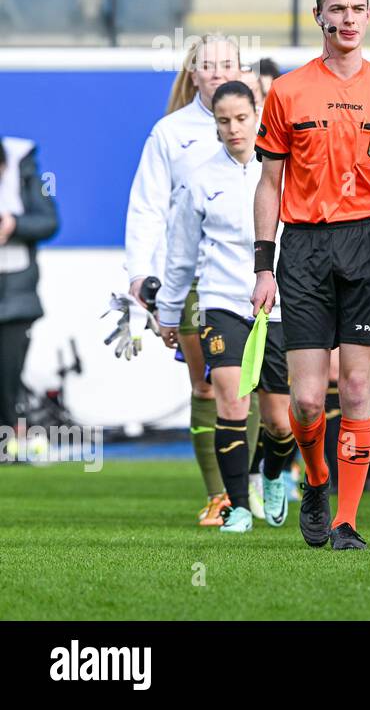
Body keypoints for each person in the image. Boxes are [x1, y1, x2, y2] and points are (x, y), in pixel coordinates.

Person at [251, 0, 370, 552]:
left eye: (358, 8)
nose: (348, 18)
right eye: (338, 9)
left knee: (358, 387)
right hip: (303, 248)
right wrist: (264, 264)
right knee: (306, 401)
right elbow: (269, 182)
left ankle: (347, 519)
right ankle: (317, 479)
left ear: (369, 17)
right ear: (319, 17)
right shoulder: (287, 91)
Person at [157, 82, 295, 533]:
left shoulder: (284, 172)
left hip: (278, 307)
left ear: (257, 114)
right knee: (231, 402)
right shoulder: (199, 179)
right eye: (223, 121)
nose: (233, 129)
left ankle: (272, 474)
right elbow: (180, 256)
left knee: (282, 421)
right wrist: (168, 311)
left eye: (240, 118)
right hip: (221, 302)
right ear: (212, 123)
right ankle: (237, 507)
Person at [125, 33, 239, 523]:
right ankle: (222, 494)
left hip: (247, 274)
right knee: (208, 385)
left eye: (226, 63)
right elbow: (147, 209)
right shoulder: (170, 133)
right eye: (207, 65)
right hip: (192, 278)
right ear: (193, 73)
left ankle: (254, 478)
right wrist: (139, 276)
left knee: (247, 387)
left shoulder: (262, 127)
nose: (217, 72)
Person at [0, 136, 58, 461]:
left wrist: (14, 224)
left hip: (15, 295)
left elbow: (48, 220)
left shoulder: (26, 172)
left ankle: (11, 439)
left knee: (9, 372)